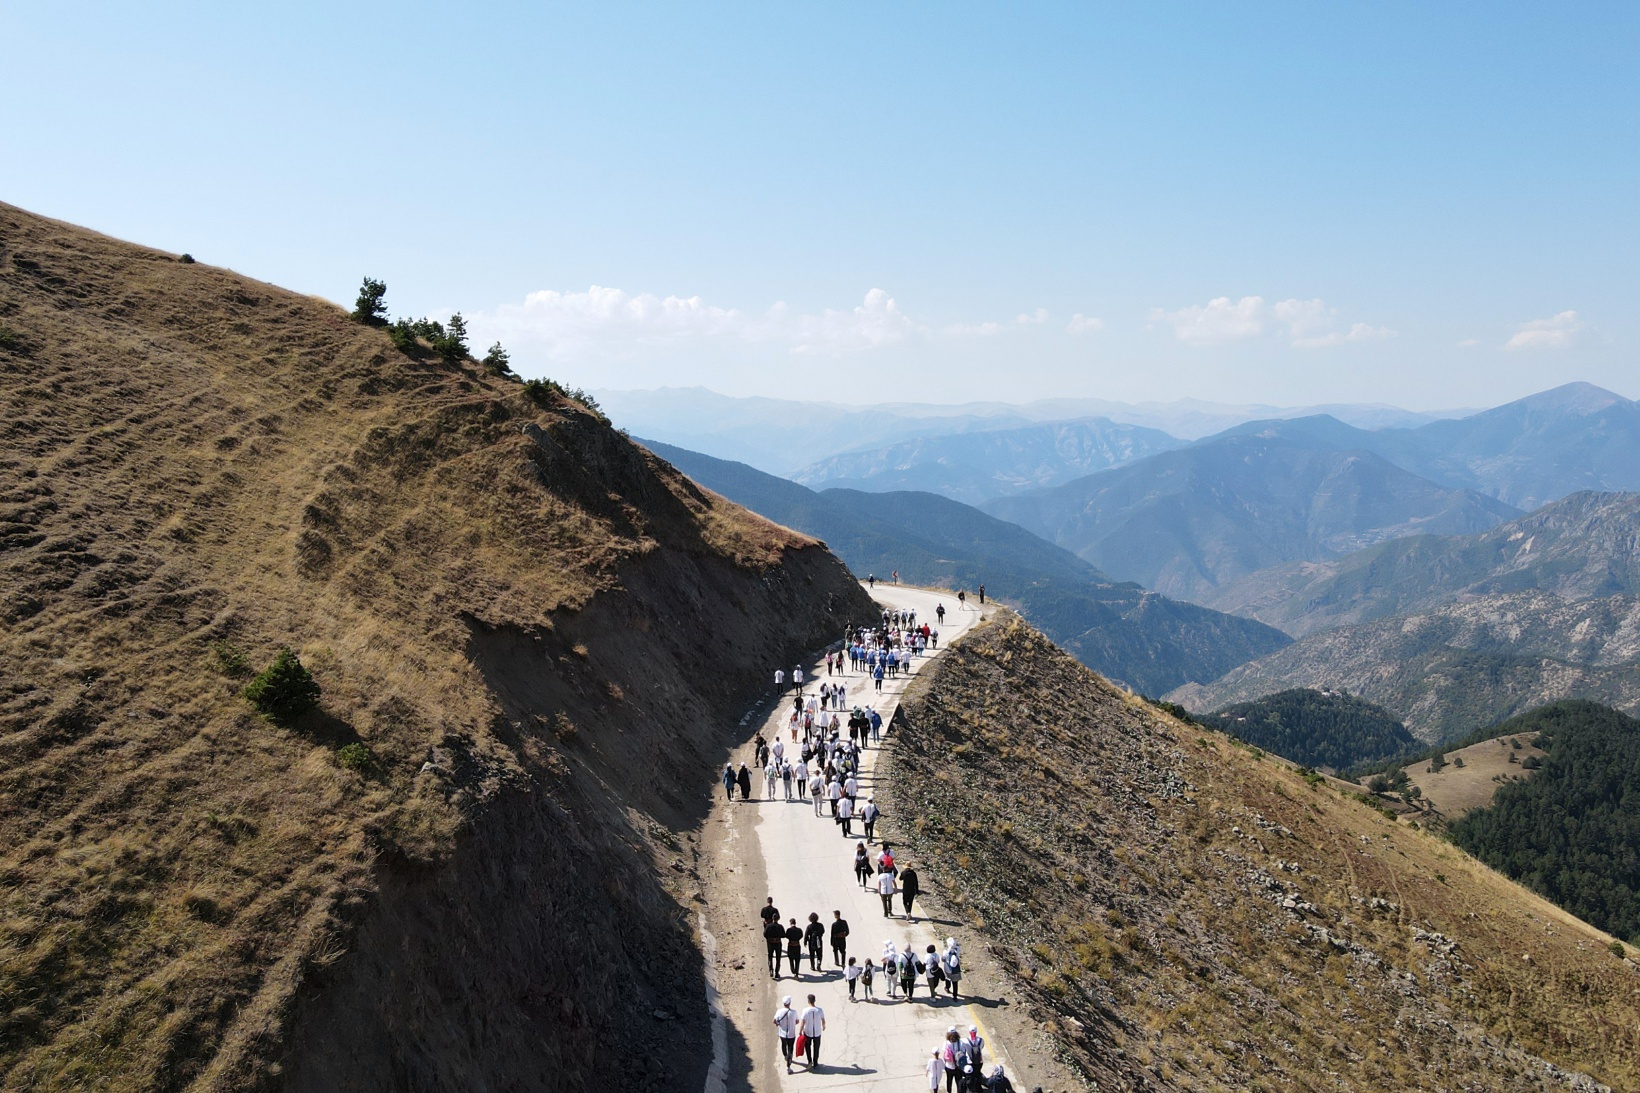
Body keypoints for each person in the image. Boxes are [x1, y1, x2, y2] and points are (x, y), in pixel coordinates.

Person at [798, 994, 826, 1069]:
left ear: (808, 1001)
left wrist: (800, 1031)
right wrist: (823, 1026)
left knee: (807, 1047)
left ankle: (809, 1061)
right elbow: (823, 1020)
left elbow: (803, 1022)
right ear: (814, 1000)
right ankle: (815, 1062)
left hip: (808, 1032)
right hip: (817, 1032)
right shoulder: (819, 1010)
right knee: (816, 1047)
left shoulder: (805, 1010)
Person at [773, 996, 799, 1073]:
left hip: (782, 1034)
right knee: (790, 1048)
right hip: (791, 1034)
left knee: (783, 1045)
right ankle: (788, 1066)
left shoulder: (779, 1011)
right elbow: (797, 1021)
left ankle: (785, 1056)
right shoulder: (794, 1012)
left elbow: (774, 1021)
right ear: (789, 1003)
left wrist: (778, 1023)